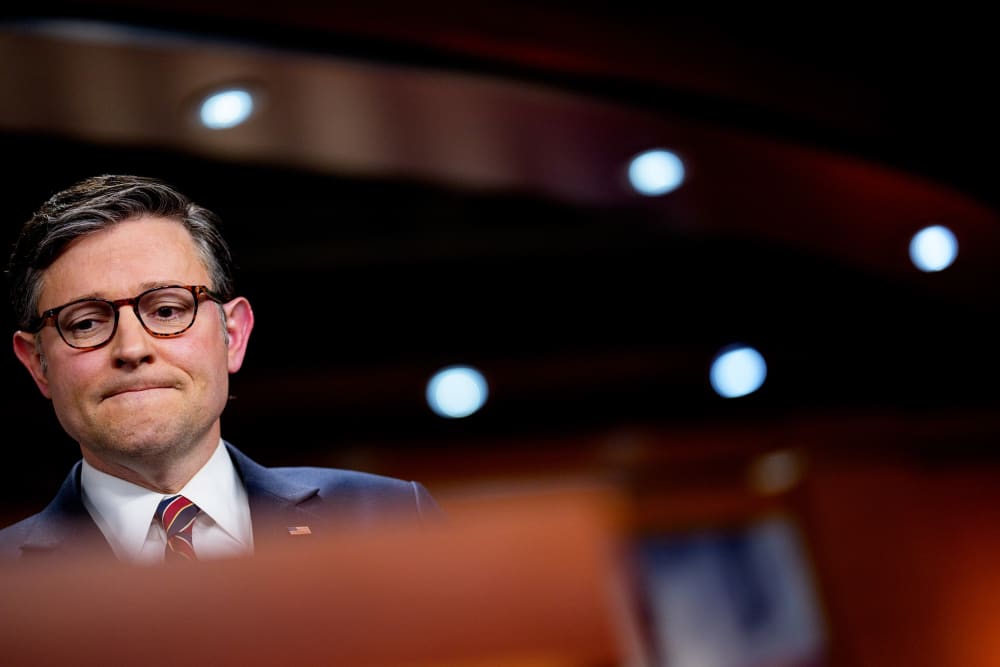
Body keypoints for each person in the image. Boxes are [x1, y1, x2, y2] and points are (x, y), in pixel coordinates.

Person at [0, 174, 442, 564]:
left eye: (168, 310)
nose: (132, 349)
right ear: (37, 364)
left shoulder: (393, 518)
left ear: (233, 334)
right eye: (86, 323)